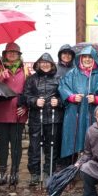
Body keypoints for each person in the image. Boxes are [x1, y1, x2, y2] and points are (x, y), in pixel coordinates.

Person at [59, 46, 98, 161]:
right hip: (75, 111)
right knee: (74, 137)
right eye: (84, 57)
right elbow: (63, 87)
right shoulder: (72, 73)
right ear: (80, 58)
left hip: (92, 111)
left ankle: (92, 165)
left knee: (93, 137)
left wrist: (96, 99)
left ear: (94, 58)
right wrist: (72, 97)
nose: (87, 59)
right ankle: (72, 164)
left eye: (90, 57)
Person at [0, 42, 29, 186]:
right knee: (3, 143)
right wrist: (1, 79)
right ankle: (3, 172)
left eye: (15, 52)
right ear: (4, 54)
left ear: (19, 55)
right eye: (9, 52)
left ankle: (15, 172)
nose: (12, 54)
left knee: (17, 143)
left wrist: (26, 106)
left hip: (18, 112)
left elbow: (28, 91)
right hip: (1, 111)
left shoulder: (25, 70)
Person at [23, 53, 64, 186]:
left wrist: (57, 101)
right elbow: (26, 97)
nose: (45, 64)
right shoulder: (31, 79)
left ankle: (49, 172)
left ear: (52, 64)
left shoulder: (59, 79)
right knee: (34, 147)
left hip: (54, 118)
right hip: (36, 118)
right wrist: (35, 101)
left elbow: (65, 97)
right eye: (42, 62)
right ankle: (35, 173)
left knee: (52, 147)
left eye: (48, 62)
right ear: (38, 64)